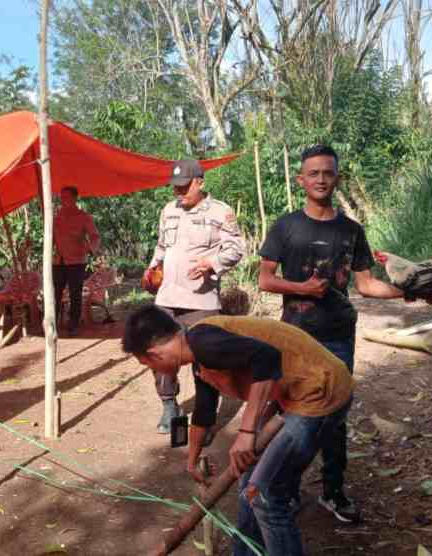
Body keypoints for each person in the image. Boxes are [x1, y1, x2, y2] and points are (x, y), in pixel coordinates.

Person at [122, 305, 354, 556]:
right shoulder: (199, 355)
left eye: (148, 365)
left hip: (320, 394)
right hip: (293, 395)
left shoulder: (204, 343)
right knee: (248, 489)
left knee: (264, 495)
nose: (154, 370)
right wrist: (191, 461)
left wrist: (247, 432)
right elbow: (204, 411)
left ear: (154, 354)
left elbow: (268, 357)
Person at [258, 144, 404, 523]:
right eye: (314, 173)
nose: (321, 179)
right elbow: (265, 280)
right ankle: (286, 490)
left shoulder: (352, 230)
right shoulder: (286, 226)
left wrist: (410, 291)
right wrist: (302, 289)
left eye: (328, 173)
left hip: (339, 334)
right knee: (291, 411)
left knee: (334, 415)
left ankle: (333, 491)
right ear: (301, 179)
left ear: (336, 178)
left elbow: (367, 284)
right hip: (296, 336)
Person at [144, 159, 245, 434]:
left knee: (206, 363)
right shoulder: (168, 210)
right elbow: (162, 246)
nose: (179, 193)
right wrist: (153, 267)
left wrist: (212, 262)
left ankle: (204, 419)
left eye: (185, 188)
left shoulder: (220, 212)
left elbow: (235, 249)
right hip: (167, 298)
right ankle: (169, 405)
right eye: (176, 188)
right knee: (159, 353)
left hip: (201, 302)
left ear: (200, 182)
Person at [53, 186, 101, 336]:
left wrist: (89, 249)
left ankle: (73, 324)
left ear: (74, 198)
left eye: (66, 197)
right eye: (62, 197)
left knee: (75, 293)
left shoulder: (84, 217)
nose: (63, 200)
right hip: (58, 261)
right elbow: (52, 237)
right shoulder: (56, 216)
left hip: (76, 261)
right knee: (55, 293)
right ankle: (52, 323)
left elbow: (95, 236)